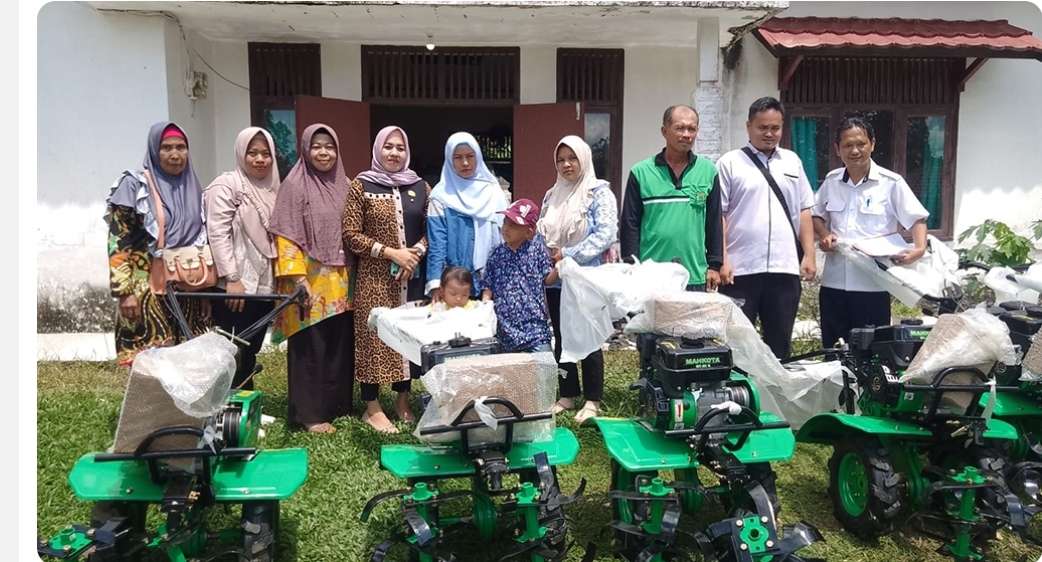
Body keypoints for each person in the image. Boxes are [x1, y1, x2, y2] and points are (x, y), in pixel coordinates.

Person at [813, 116, 929, 348]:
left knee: (872, 351)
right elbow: (816, 215)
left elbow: (917, 218)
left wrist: (918, 249)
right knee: (833, 350)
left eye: (861, 144)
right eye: (847, 145)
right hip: (834, 283)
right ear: (838, 149)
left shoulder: (890, 182)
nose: (855, 150)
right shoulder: (832, 181)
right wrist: (825, 234)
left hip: (872, 285)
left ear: (872, 144)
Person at [344, 125, 430, 434]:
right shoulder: (361, 185)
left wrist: (415, 253)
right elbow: (351, 235)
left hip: (411, 276)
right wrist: (392, 253)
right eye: (388, 147)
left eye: (400, 147)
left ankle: (402, 401)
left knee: (406, 337)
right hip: (375, 277)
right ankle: (372, 407)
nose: (394, 153)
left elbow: (430, 230)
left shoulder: (420, 186)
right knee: (373, 337)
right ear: (378, 149)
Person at [269, 124, 354, 434]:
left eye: (329, 146)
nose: (323, 152)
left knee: (338, 344)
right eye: (316, 146)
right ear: (305, 149)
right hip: (309, 281)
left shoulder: (344, 183)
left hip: (342, 282)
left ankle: (337, 405)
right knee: (310, 347)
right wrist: (296, 277)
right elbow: (285, 232)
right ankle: (309, 414)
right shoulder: (294, 185)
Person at [716, 97, 817, 359]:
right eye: (763, 128)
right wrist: (723, 259)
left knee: (780, 341)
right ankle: (739, 397)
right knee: (739, 343)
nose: (770, 134)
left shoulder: (792, 161)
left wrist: (809, 254)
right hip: (741, 270)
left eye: (776, 128)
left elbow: (805, 209)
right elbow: (720, 215)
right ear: (749, 126)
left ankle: (777, 397)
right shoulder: (729, 162)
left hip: (784, 270)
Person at [105, 121, 211, 367]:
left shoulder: (193, 187)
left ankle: (180, 408)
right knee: (153, 366)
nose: (175, 155)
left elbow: (201, 242)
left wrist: (204, 292)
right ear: (154, 150)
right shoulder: (134, 185)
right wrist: (124, 293)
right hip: (146, 291)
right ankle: (151, 408)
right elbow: (118, 240)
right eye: (166, 148)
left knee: (187, 365)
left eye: (181, 147)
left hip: (186, 288)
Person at [537, 135, 617, 424]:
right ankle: (567, 394)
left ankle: (593, 399)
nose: (566, 164)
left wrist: (568, 256)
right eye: (561, 159)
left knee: (589, 338)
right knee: (561, 336)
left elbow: (605, 234)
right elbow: (541, 233)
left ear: (584, 158)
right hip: (557, 279)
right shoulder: (551, 194)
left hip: (585, 277)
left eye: (572, 158)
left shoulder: (598, 193)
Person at [203, 127, 280, 390]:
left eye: (266, 154)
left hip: (265, 283)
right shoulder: (227, 186)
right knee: (231, 345)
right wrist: (232, 278)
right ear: (240, 154)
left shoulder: (273, 189)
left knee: (252, 345)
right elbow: (217, 231)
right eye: (253, 153)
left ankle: (246, 400)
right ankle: (225, 405)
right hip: (237, 284)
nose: (260, 159)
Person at [621, 105, 723, 292]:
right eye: (679, 128)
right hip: (650, 276)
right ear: (664, 131)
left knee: (692, 323)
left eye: (691, 129)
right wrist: (630, 265)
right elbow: (630, 224)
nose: (686, 134)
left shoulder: (708, 172)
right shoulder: (641, 172)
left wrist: (715, 265)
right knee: (651, 323)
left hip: (694, 275)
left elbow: (714, 222)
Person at [426, 132, 508, 301]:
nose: (465, 163)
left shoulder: (493, 192)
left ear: (478, 156)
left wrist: (496, 281)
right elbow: (437, 243)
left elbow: (504, 238)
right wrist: (435, 284)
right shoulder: (440, 195)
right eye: (458, 157)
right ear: (449, 159)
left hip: (491, 281)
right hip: (454, 284)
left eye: (470, 156)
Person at [481, 199, 559, 354]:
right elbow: (488, 286)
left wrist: (559, 268)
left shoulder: (536, 250)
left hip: (535, 330)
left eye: (514, 225)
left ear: (529, 232)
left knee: (545, 375)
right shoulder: (496, 254)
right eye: (505, 223)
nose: (506, 229)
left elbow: (547, 279)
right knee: (511, 376)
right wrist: (484, 306)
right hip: (505, 332)